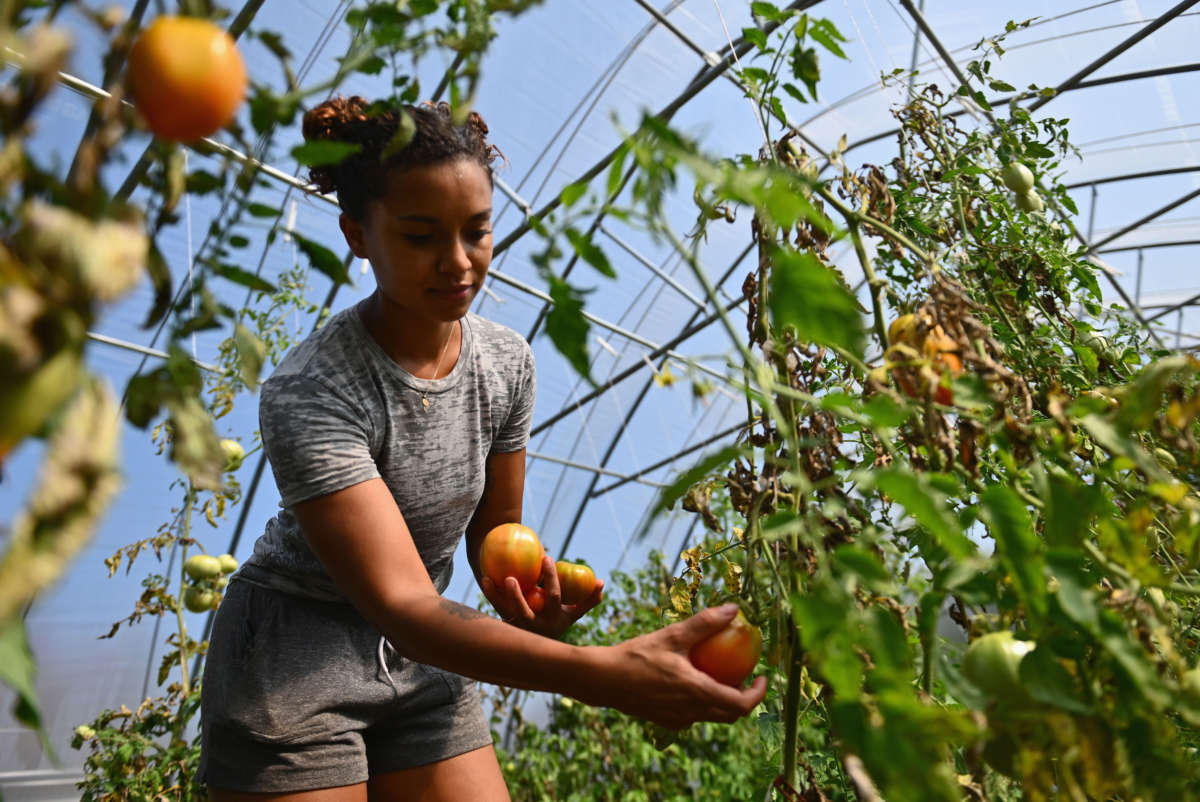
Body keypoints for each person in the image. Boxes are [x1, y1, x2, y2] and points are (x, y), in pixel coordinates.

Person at [197, 96, 766, 802]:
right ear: (358, 235)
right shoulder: (313, 390)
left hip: (417, 656)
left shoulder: (506, 364)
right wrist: (606, 673)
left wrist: (524, 588)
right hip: (294, 663)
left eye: (478, 232)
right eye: (421, 236)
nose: (458, 262)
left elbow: (495, 530)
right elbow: (404, 602)